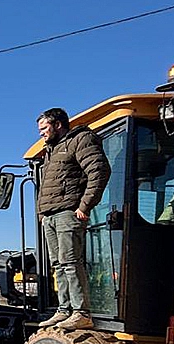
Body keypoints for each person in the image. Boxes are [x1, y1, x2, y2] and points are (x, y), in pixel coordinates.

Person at [35, 107, 111, 330]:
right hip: (50, 215)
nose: (41, 133)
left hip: (68, 212)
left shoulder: (80, 140)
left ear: (58, 125)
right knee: (58, 265)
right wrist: (42, 214)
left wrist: (84, 206)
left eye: (44, 128)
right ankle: (64, 310)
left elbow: (99, 171)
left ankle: (81, 312)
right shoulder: (51, 150)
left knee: (70, 262)